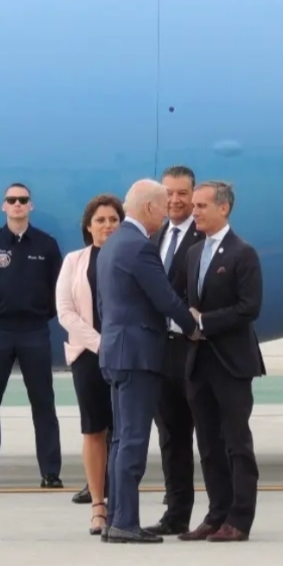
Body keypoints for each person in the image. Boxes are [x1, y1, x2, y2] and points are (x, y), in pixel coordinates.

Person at [96, 179, 199, 544]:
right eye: (162, 204)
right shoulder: (139, 247)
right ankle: (125, 522)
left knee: (121, 439)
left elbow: (105, 305)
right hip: (138, 354)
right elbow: (166, 299)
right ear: (150, 208)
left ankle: (116, 520)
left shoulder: (111, 245)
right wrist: (193, 325)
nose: (167, 209)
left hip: (115, 351)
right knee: (134, 440)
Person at [180, 181, 266, 543]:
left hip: (231, 363)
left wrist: (204, 322)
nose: (194, 211)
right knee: (209, 445)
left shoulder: (243, 253)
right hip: (199, 362)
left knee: (236, 444)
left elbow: (250, 308)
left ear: (224, 208)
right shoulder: (194, 253)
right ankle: (216, 515)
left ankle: (240, 519)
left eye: (201, 205)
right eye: (194, 205)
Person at [0, 182, 63, 490]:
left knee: (43, 402)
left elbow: (57, 291)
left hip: (35, 331)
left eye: (23, 200)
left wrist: (37, 313)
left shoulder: (46, 246)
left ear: (31, 206)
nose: (18, 204)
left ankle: (50, 473)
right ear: (3, 206)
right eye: (12, 200)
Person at [56, 194, 123, 535]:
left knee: (124, 431)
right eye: (101, 220)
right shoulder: (75, 261)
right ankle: (98, 505)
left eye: (113, 219)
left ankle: (123, 503)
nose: (107, 225)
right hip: (88, 356)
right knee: (95, 429)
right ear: (88, 226)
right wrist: (100, 344)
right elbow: (65, 311)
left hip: (125, 355)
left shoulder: (133, 257)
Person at [145, 165, 204, 536]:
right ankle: (176, 512)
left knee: (210, 436)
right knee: (171, 436)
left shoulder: (205, 236)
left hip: (195, 348)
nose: (175, 200)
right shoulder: (155, 235)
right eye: (169, 193)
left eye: (183, 193)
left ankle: (221, 513)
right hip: (160, 350)